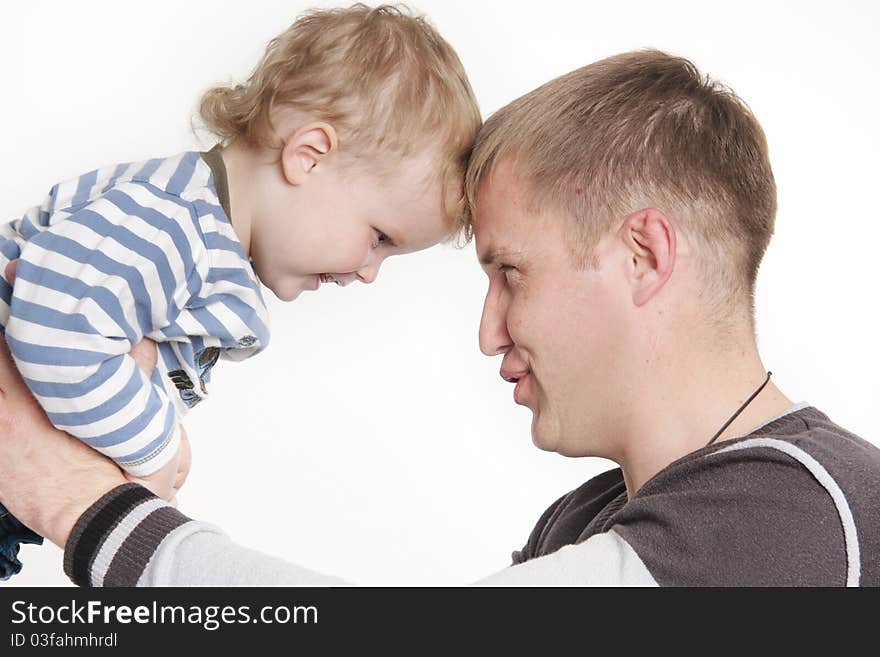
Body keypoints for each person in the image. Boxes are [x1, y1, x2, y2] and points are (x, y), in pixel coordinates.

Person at [1, 50, 878, 586]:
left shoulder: (792, 510)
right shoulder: (583, 528)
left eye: (509, 272)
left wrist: (74, 497)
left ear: (644, 254)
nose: (488, 332)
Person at [0, 3, 480, 579]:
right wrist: (153, 449)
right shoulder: (172, 223)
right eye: (379, 238)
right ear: (310, 155)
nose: (368, 271)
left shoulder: (202, 238)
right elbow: (55, 325)